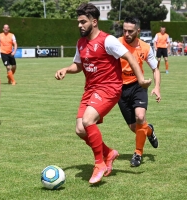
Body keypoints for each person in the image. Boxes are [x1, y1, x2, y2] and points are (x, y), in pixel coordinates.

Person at [55, 3, 151, 184]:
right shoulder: (81, 43)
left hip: (109, 88)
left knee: (87, 121)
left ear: (94, 21)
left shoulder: (108, 40)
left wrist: (140, 80)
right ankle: (109, 153)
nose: (79, 25)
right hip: (90, 89)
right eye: (79, 22)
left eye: (83, 22)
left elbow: (129, 57)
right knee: (80, 129)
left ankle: (99, 163)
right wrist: (66, 70)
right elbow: (79, 65)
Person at [118, 17, 160, 167]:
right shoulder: (116, 44)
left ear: (138, 31)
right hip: (120, 88)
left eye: (130, 31)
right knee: (134, 127)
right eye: (124, 30)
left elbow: (155, 68)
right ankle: (149, 131)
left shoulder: (145, 47)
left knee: (140, 117)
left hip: (138, 85)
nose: (127, 34)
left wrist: (157, 87)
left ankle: (138, 153)